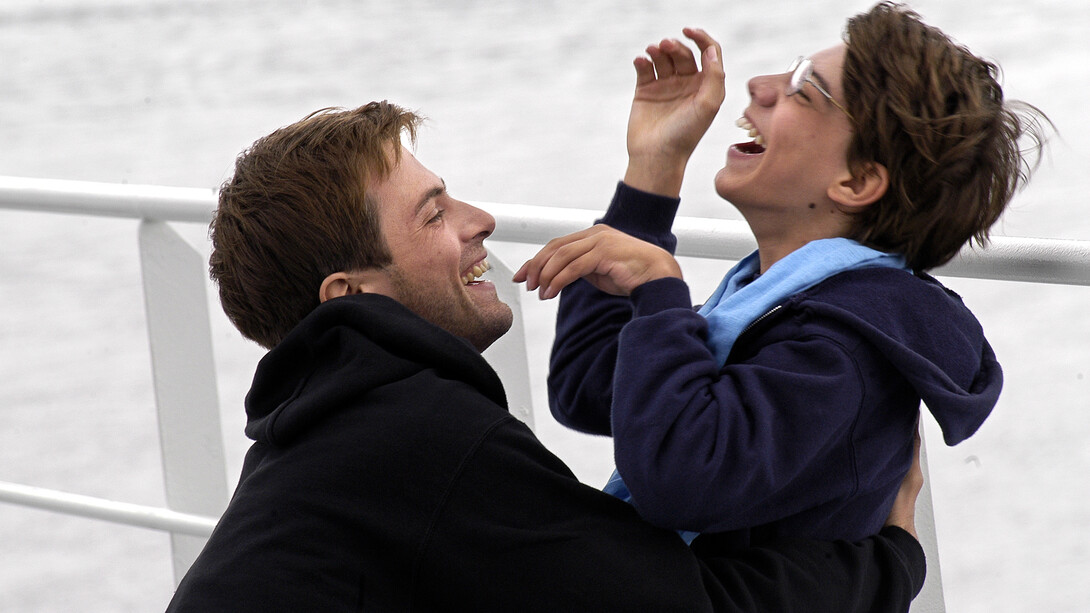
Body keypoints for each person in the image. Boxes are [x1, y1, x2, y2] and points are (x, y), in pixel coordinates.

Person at [166, 101, 928, 612]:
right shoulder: (415, 436)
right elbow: (684, 603)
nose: (482, 220)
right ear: (350, 292)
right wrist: (889, 559)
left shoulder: (322, 430)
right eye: (434, 212)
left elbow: (595, 391)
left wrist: (652, 172)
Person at [516, 2, 1048, 549]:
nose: (759, 86)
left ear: (858, 180)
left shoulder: (845, 349)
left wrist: (660, 289)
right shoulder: (777, 301)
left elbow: (683, 479)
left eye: (803, 90)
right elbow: (589, 389)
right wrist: (655, 168)